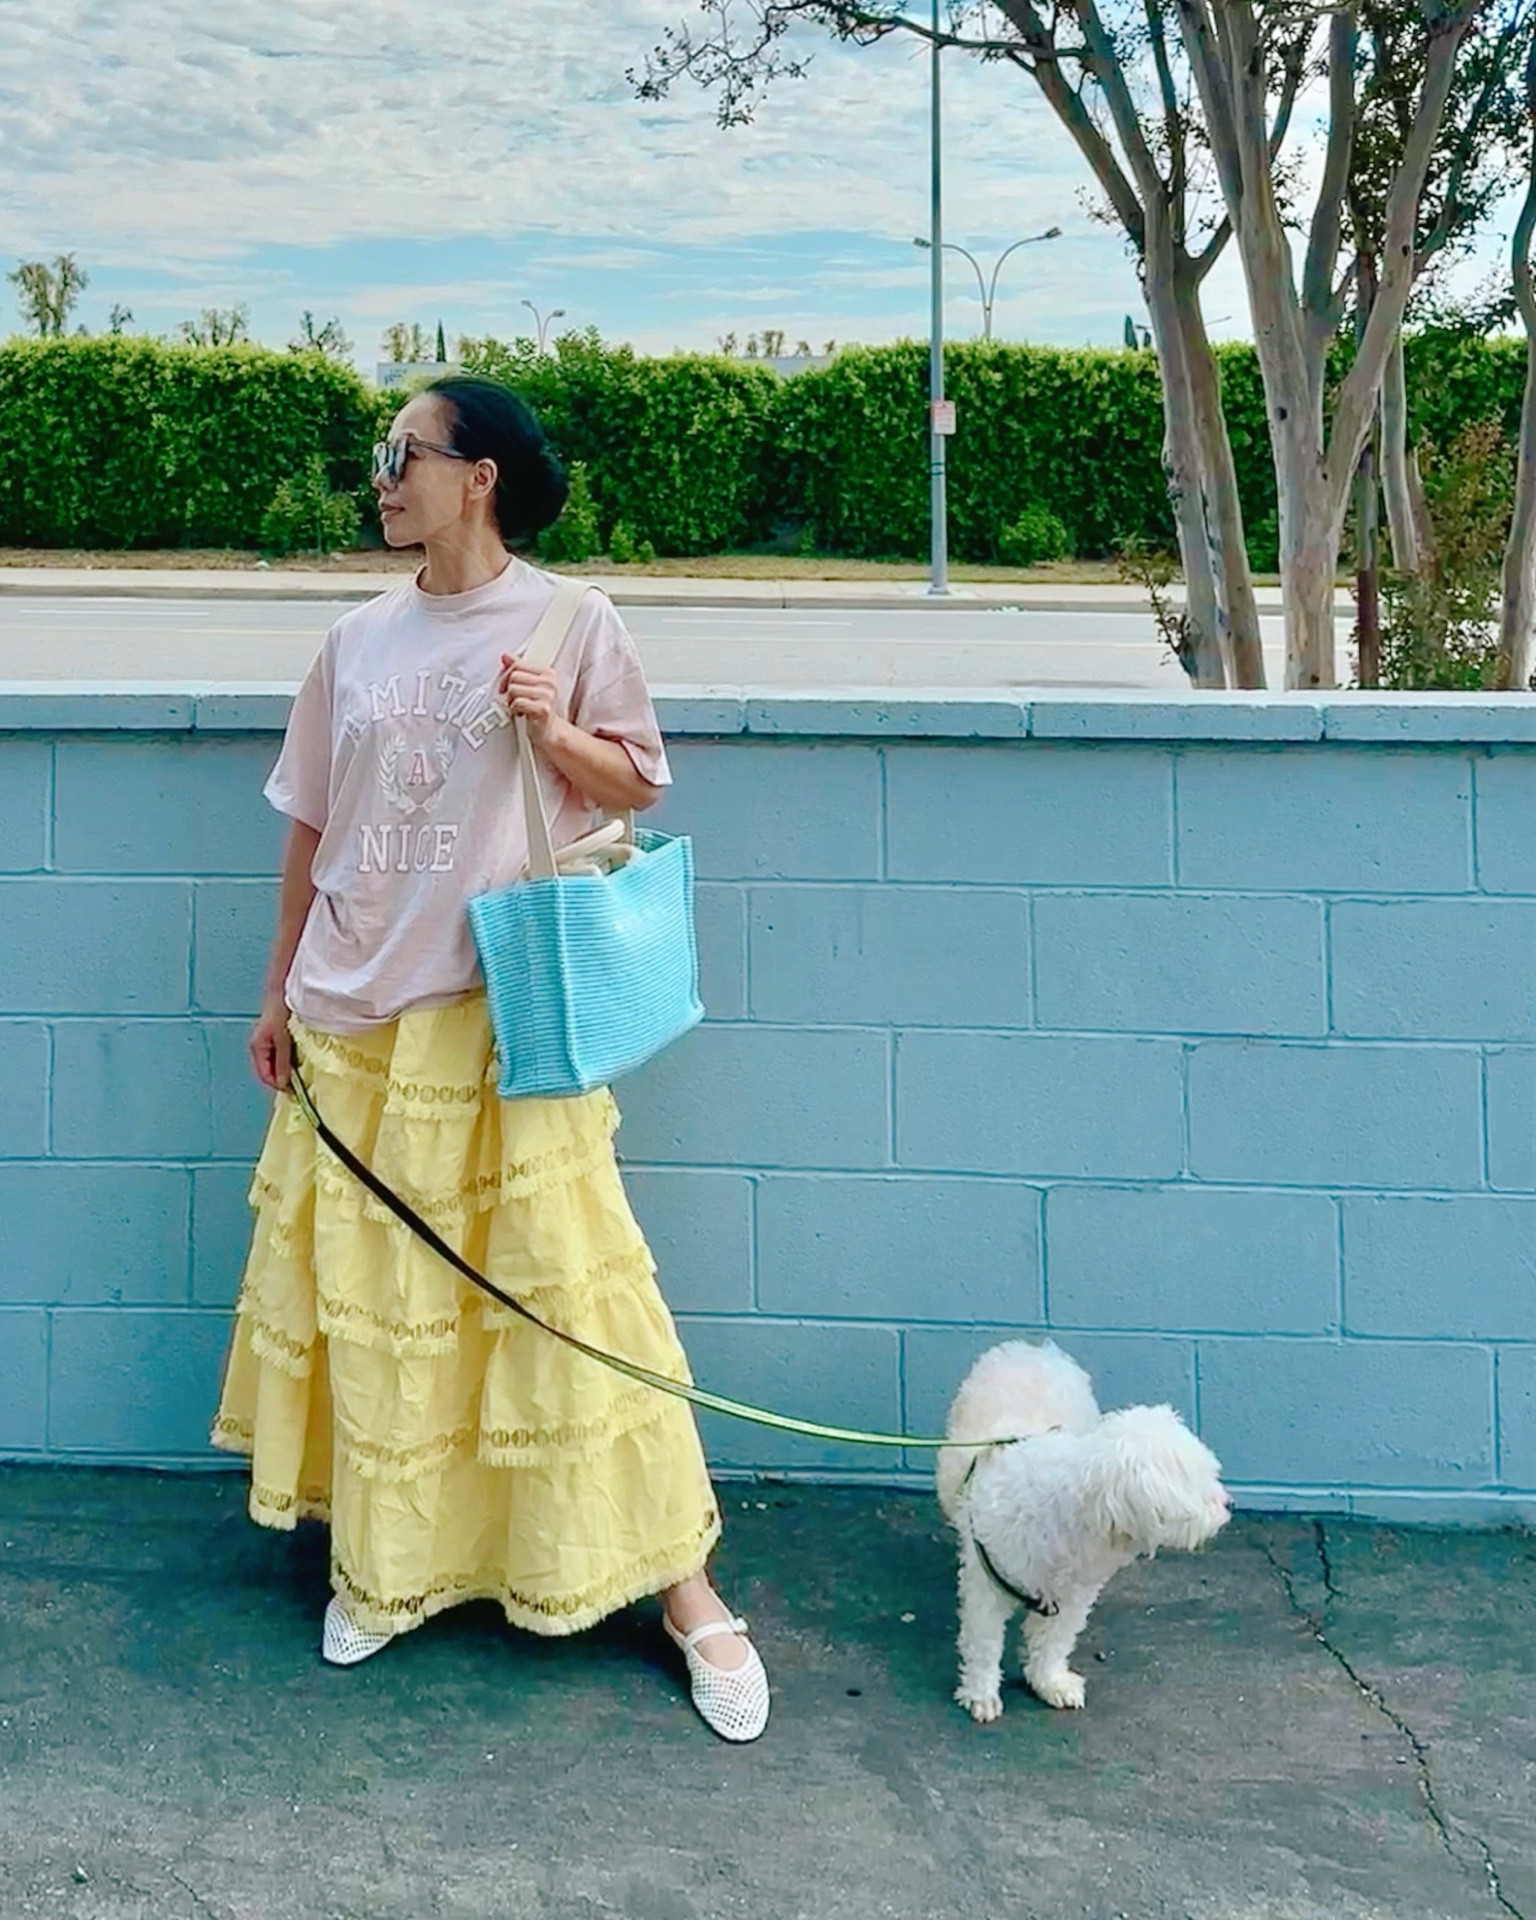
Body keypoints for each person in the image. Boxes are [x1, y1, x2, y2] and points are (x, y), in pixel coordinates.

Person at [211, 374, 769, 1743]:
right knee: (378, 1304)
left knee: (569, 1301)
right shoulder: (353, 641)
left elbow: (638, 782)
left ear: (483, 478)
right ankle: (388, 1570)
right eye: (382, 455)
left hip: (502, 1020)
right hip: (351, 1019)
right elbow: (308, 827)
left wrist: (550, 727)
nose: (384, 475)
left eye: (407, 453)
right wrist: (278, 989)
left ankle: (686, 1593)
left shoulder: (574, 620)